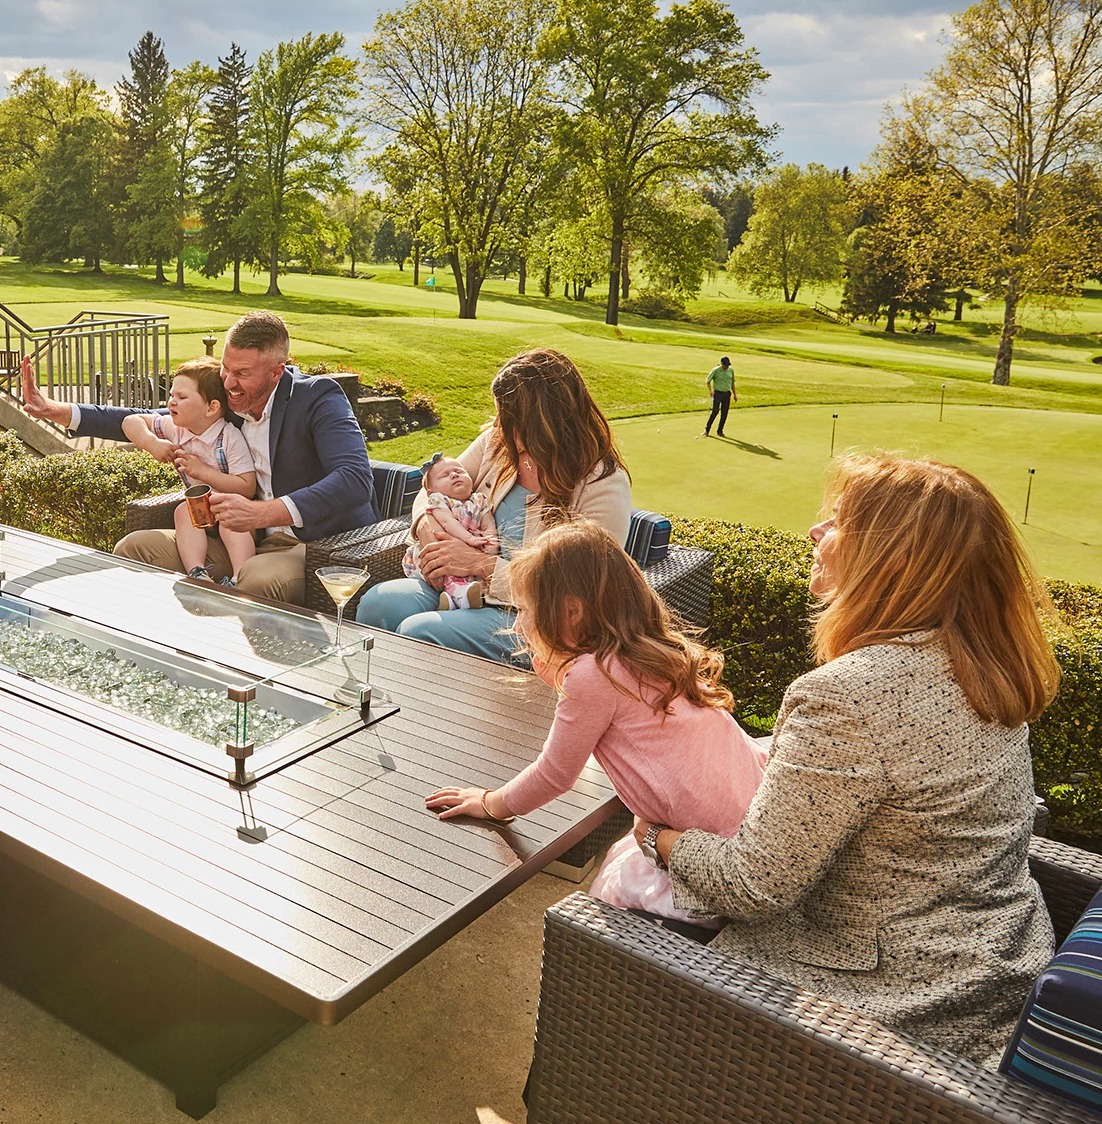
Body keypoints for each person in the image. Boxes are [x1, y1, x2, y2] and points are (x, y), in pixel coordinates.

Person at [640, 456, 1059, 1060]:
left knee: (623, 901)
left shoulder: (847, 694)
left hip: (894, 998)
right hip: (1001, 959)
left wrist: (657, 836)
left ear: (889, 560)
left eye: (836, 522)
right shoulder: (987, 664)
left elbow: (754, 886)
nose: (815, 532)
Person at [424, 518, 767, 932]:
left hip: (705, 860)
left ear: (571, 611)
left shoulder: (592, 674)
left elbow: (555, 774)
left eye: (526, 610)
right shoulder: (649, 651)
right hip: (747, 824)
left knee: (611, 887)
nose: (518, 625)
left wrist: (491, 803)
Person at [20, 311, 375, 605]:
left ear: (276, 372)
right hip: (245, 539)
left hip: (316, 545)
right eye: (226, 368)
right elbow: (142, 417)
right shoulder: (230, 400)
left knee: (255, 581)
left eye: (242, 374)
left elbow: (355, 479)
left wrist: (263, 511)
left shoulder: (318, 398)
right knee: (135, 547)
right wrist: (55, 409)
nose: (229, 382)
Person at [356, 349, 632, 664]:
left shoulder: (602, 483)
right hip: (464, 587)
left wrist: (479, 564)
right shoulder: (497, 443)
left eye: (510, 418)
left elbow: (581, 592)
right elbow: (432, 486)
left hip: (534, 617)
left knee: (420, 632)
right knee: (378, 604)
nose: (498, 425)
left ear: (545, 422)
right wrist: (429, 528)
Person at [121, 357, 258, 584]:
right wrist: (152, 443)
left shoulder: (229, 438)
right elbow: (130, 421)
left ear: (212, 407)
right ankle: (197, 573)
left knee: (228, 518)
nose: (171, 402)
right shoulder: (176, 429)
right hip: (202, 515)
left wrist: (202, 471)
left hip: (238, 516)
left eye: (182, 397)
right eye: (172, 395)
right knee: (183, 512)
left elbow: (247, 487)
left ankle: (240, 577)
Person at [402, 453, 496, 611]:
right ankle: (461, 598)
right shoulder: (440, 501)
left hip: (469, 553)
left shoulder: (479, 500)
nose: (454, 474)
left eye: (460, 472)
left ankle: (452, 602)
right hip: (443, 549)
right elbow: (448, 523)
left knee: (473, 577)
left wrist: (490, 548)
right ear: (431, 492)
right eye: (445, 475)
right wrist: (470, 539)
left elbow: (488, 526)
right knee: (448, 566)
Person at [703, 356, 736, 437]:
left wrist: (735, 394)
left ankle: (720, 431)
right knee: (715, 411)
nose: (726, 367)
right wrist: (710, 391)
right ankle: (707, 430)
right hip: (718, 393)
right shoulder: (716, 370)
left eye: (728, 365)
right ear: (721, 364)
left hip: (727, 393)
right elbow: (708, 381)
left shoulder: (731, 370)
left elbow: (732, 383)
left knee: (724, 413)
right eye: (725, 365)